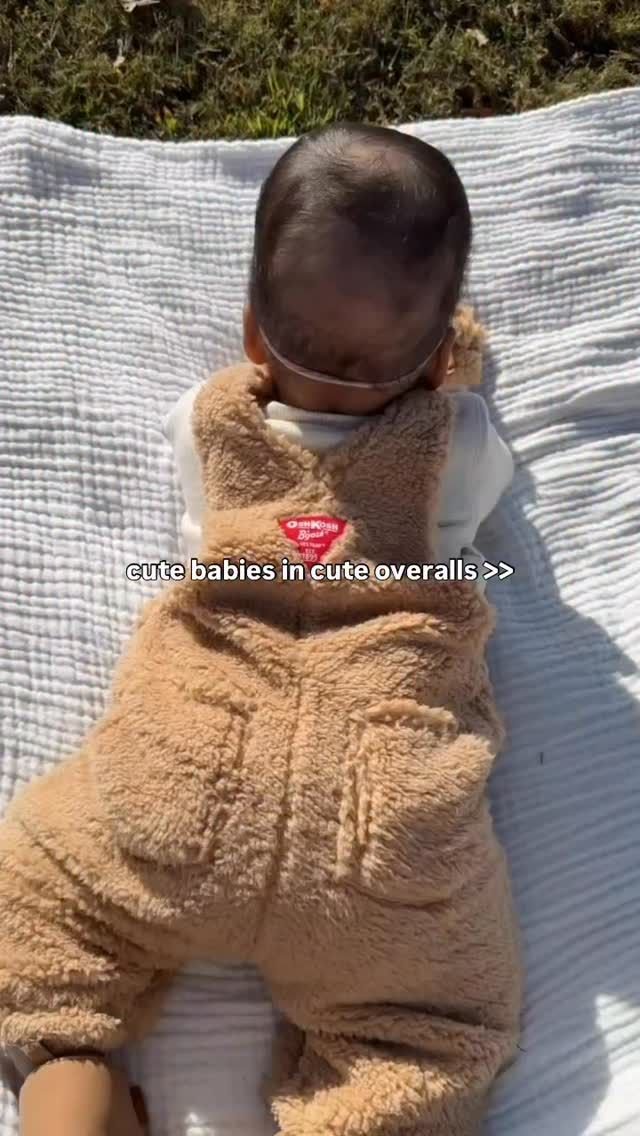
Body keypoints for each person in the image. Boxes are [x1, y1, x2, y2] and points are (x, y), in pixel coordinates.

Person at [0, 122, 522, 1136]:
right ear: (434, 365)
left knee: (43, 932)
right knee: (427, 1038)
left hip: (191, 764)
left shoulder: (209, 423)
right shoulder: (458, 440)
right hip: (377, 815)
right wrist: (449, 385)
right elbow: (483, 478)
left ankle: (69, 1089)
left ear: (250, 335)